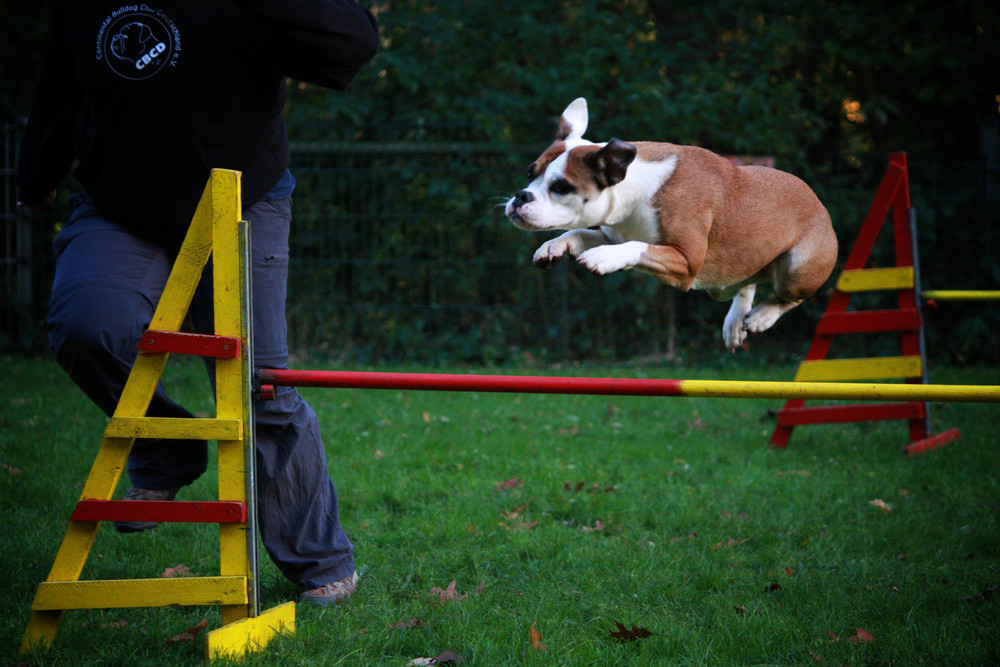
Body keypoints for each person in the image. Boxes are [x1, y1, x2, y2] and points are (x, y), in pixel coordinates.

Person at [16, 0, 379, 606]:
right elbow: (62, 76)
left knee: (259, 383)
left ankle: (320, 562)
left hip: (240, 197)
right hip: (120, 205)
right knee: (86, 326)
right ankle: (168, 446)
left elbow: (352, 44)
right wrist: (40, 167)